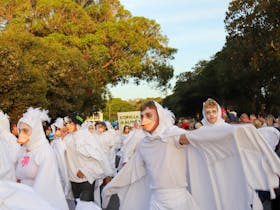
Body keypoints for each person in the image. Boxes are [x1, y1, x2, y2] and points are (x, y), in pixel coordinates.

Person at [102, 100, 280, 210]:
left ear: (160, 117)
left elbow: (200, 137)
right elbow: (131, 172)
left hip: (179, 200)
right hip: (156, 201)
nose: (144, 120)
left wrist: (240, 133)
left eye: (149, 115)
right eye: (142, 116)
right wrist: (111, 187)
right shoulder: (144, 144)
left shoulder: (173, 137)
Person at [15, 107, 68, 210]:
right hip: (22, 199)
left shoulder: (44, 151)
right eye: (20, 130)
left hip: (37, 201)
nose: (21, 134)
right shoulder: (23, 150)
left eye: (25, 131)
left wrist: (29, 203)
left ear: (36, 131)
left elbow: (44, 185)